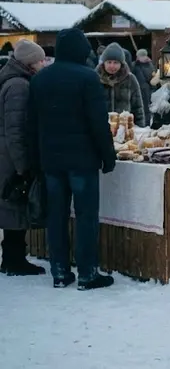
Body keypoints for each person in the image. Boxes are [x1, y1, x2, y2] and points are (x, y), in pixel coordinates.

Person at [29, 28, 116, 290]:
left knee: (56, 216)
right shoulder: (87, 78)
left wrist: (36, 161)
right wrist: (107, 156)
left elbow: (31, 124)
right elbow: (98, 122)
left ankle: (59, 271)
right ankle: (87, 273)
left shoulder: (40, 79)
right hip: (82, 160)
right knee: (86, 217)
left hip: (51, 162)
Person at [0, 40, 47, 276]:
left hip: (7, 155)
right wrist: (23, 166)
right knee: (15, 206)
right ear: (29, 62)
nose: (43, 63)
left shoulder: (14, 80)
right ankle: (14, 260)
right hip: (11, 157)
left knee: (12, 207)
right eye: (40, 60)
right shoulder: (19, 86)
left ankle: (12, 257)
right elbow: (15, 130)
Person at [96, 43, 145, 127]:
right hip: (100, 128)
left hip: (124, 129)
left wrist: (139, 128)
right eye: (109, 62)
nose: (112, 66)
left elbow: (137, 108)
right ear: (104, 63)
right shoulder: (95, 79)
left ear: (121, 63)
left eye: (115, 62)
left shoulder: (130, 79)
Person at [132, 49, 156, 126]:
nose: (140, 58)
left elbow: (152, 77)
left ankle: (146, 124)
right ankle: (137, 123)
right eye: (139, 56)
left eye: (142, 56)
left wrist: (151, 87)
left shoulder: (150, 65)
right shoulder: (134, 65)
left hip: (145, 90)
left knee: (145, 107)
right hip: (136, 89)